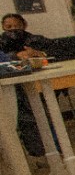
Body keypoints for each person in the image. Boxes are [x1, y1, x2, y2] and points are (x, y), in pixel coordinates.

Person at [2, 12, 53, 158]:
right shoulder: (2, 42)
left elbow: (56, 51)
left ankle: (50, 150)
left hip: (38, 84)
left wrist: (37, 53)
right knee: (23, 116)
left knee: (42, 112)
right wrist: (15, 57)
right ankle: (36, 152)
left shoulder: (35, 39)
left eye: (17, 26)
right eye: (8, 27)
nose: (13, 30)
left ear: (24, 25)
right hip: (12, 86)